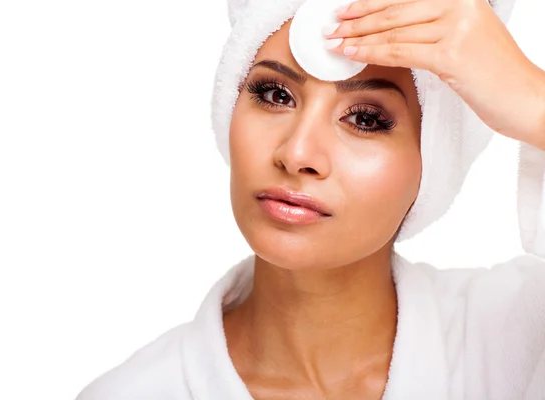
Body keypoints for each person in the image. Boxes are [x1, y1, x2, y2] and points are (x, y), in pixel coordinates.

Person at [76, 0, 545, 398]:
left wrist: (537, 103)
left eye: (364, 119)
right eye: (274, 94)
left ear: (434, 158)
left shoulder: (518, 339)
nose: (297, 153)